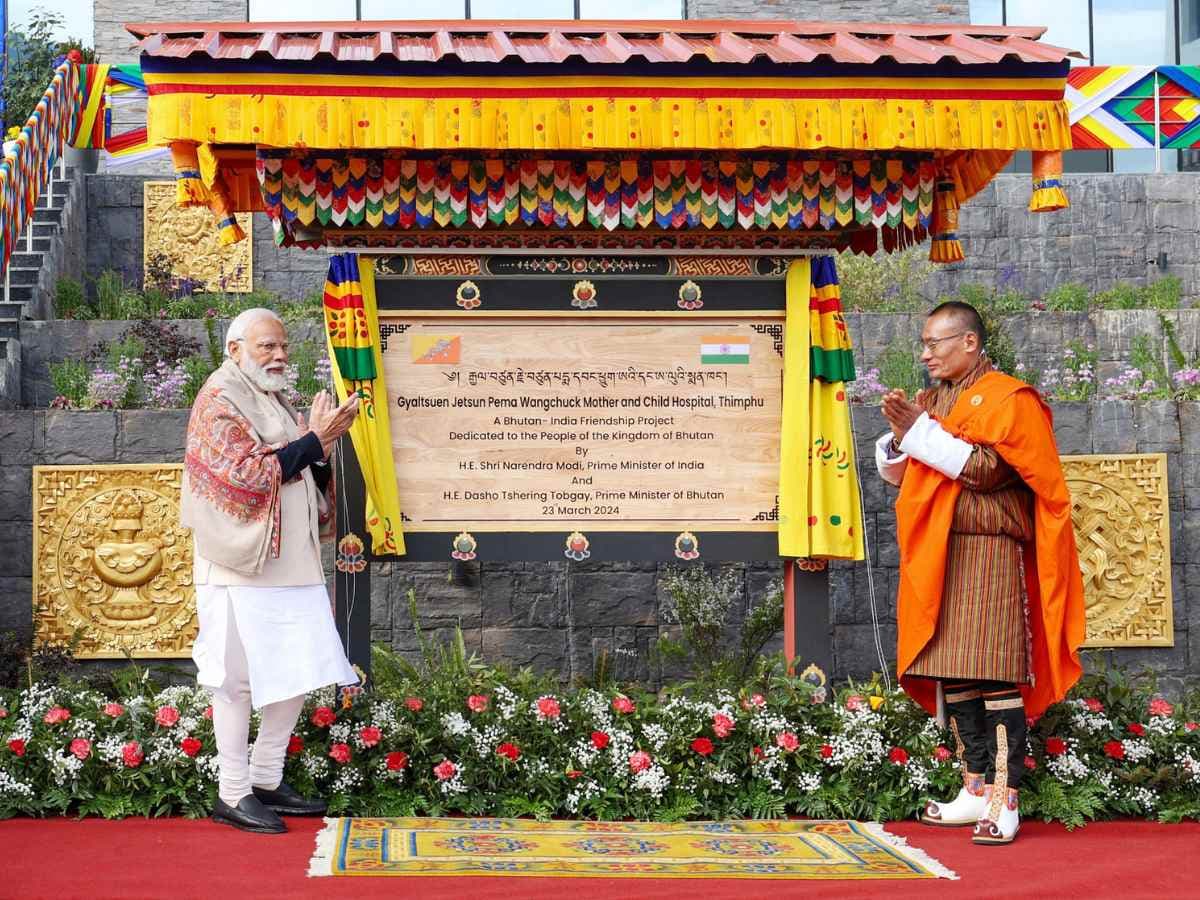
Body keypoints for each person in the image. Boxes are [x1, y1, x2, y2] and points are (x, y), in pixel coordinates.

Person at [875, 301, 1085, 845]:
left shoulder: (1009, 398)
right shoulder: (933, 400)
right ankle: (972, 788)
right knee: (956, 670)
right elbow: (907, 476)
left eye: (935, 343)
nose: (925, 354)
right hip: (939, 547)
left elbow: (986, 472)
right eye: (923, 344)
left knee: (992, 670)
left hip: (990, 549)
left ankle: (1004, 797)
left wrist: (918, 431)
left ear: (968, 342)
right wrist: (902, 438)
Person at [181, 307, 362, 834]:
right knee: (235, 681)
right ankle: (232, 792)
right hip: (241, 565)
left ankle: (265, 776)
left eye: (282, 346)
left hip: (291, 561)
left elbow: (295, 468)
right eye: (267, 347)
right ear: (236, 349)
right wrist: (312, 442)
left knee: (299, 670)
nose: (280, 355)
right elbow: (243, 476)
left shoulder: (269, 396)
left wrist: (321, 445)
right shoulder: (218, 398)